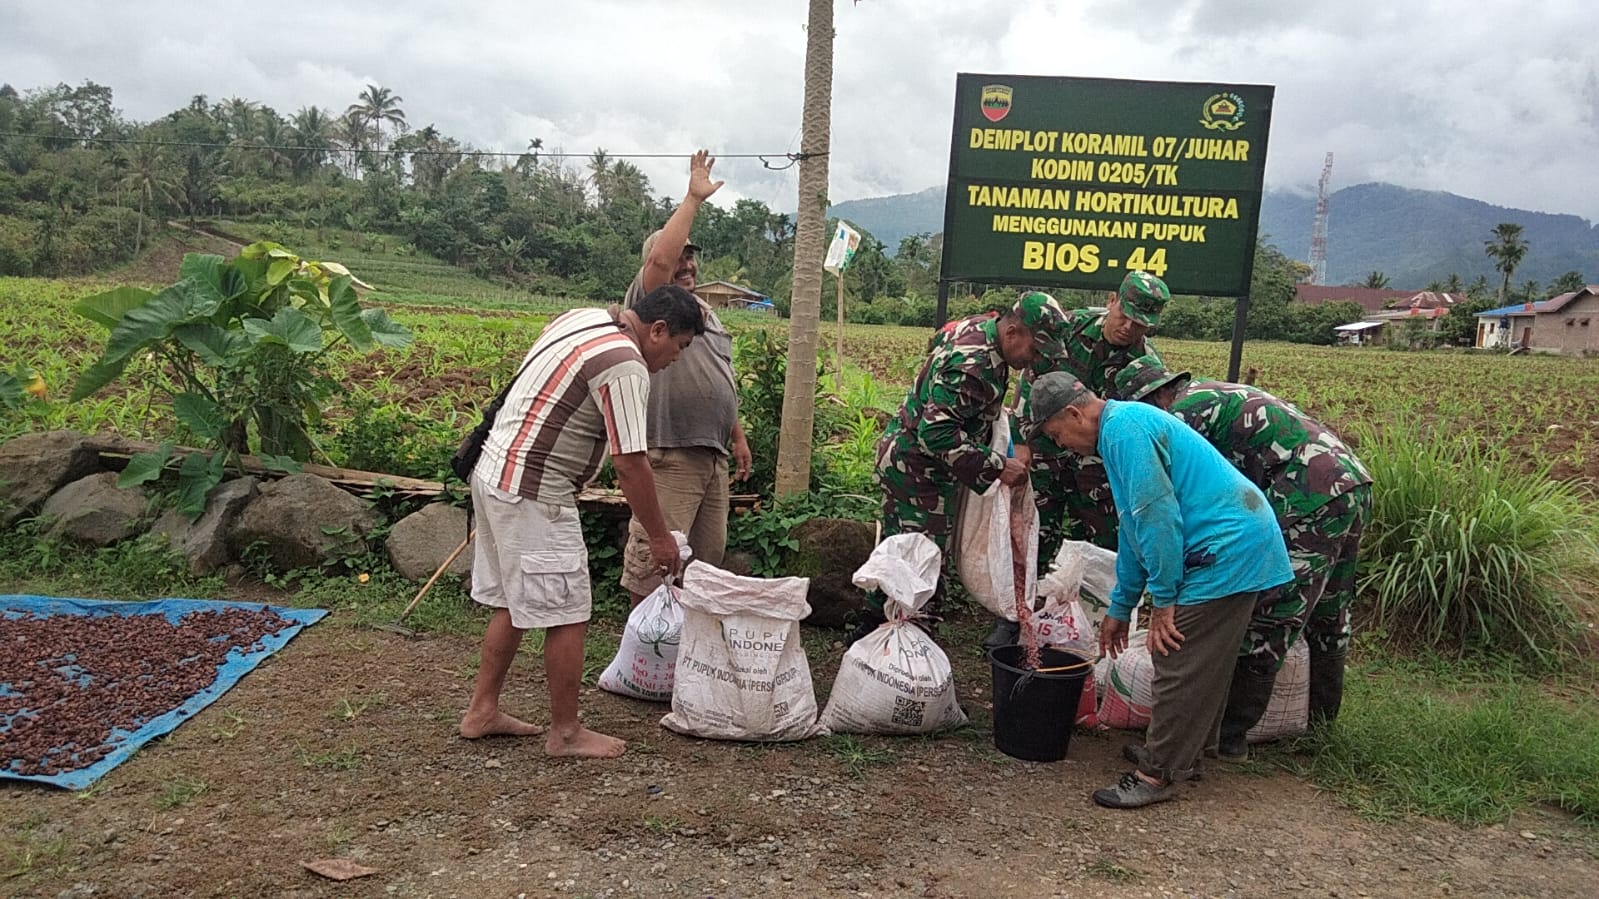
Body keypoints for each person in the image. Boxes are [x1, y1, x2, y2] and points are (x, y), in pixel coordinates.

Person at [460, 285, 705, 759]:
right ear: (657, 331)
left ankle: (482, 710)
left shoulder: (584, 318)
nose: (677, 357)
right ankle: (566, 732)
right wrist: (659, 537)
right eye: (680, 345)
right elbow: (631, 463)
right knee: (569, 611)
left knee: (511, 602)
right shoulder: (625, 363)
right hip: (535, 493)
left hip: (494, 474)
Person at [1027, 372, 1293, 809]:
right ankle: (1183, 755)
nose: (1062, 446)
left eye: (1058, 435)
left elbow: (1159, 520)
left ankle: (1156, 772)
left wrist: (1164, 602)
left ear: (1075, 414)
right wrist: (1122, 603)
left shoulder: (1126, 432)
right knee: (1199, 661)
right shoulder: (1119, 432)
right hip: (1230, 543)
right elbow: (1134, 528)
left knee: (1177, 657)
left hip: (1227, 548)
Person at [1114, 357, 1374, 754]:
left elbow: (1169, 504)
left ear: (1157, 397)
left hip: (1307, 491)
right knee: (1330, 609)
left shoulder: (1181, 416)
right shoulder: (1205, 394)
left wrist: (1169, 590)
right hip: (1348, 482)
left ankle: (1225, 739)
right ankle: (1319, 726)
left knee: (1271, 606)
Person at [847, 292, 1068, 644]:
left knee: (903, 553)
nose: (1034, 361)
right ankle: (911, 659)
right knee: (923, 563)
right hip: (917, 471)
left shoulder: (983, 328)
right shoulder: (974, 365)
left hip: (920, 463)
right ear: (1012, 332)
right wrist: (997, 467)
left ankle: (873, 633)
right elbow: (935, 433)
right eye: (1035, 350)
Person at [985, 270, 1170, 650]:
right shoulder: (1069, 329)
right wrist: (1021, 442)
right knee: (1034, 531)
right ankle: (1016, 616)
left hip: (1099, 464)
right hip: (1050, 449)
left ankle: (1089, 621)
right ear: (1112, 301)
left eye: (1140, 325)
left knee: (1104, 539)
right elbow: (1032, 382)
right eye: (1125, 316)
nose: (1128, 329)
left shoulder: (1145, 363)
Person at [619, 150, 753, 606]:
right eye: (681, 258)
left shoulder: (706, 316)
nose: (687, 266)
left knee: (705, 566)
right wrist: (693, 199)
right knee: (657, 564)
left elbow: (722, 377)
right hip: (670, 454)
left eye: (693, 260)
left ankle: (686, 659)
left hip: (711, 458)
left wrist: (736, 436)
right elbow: (660, 262)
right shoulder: (651, 301)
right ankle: (644, 659)